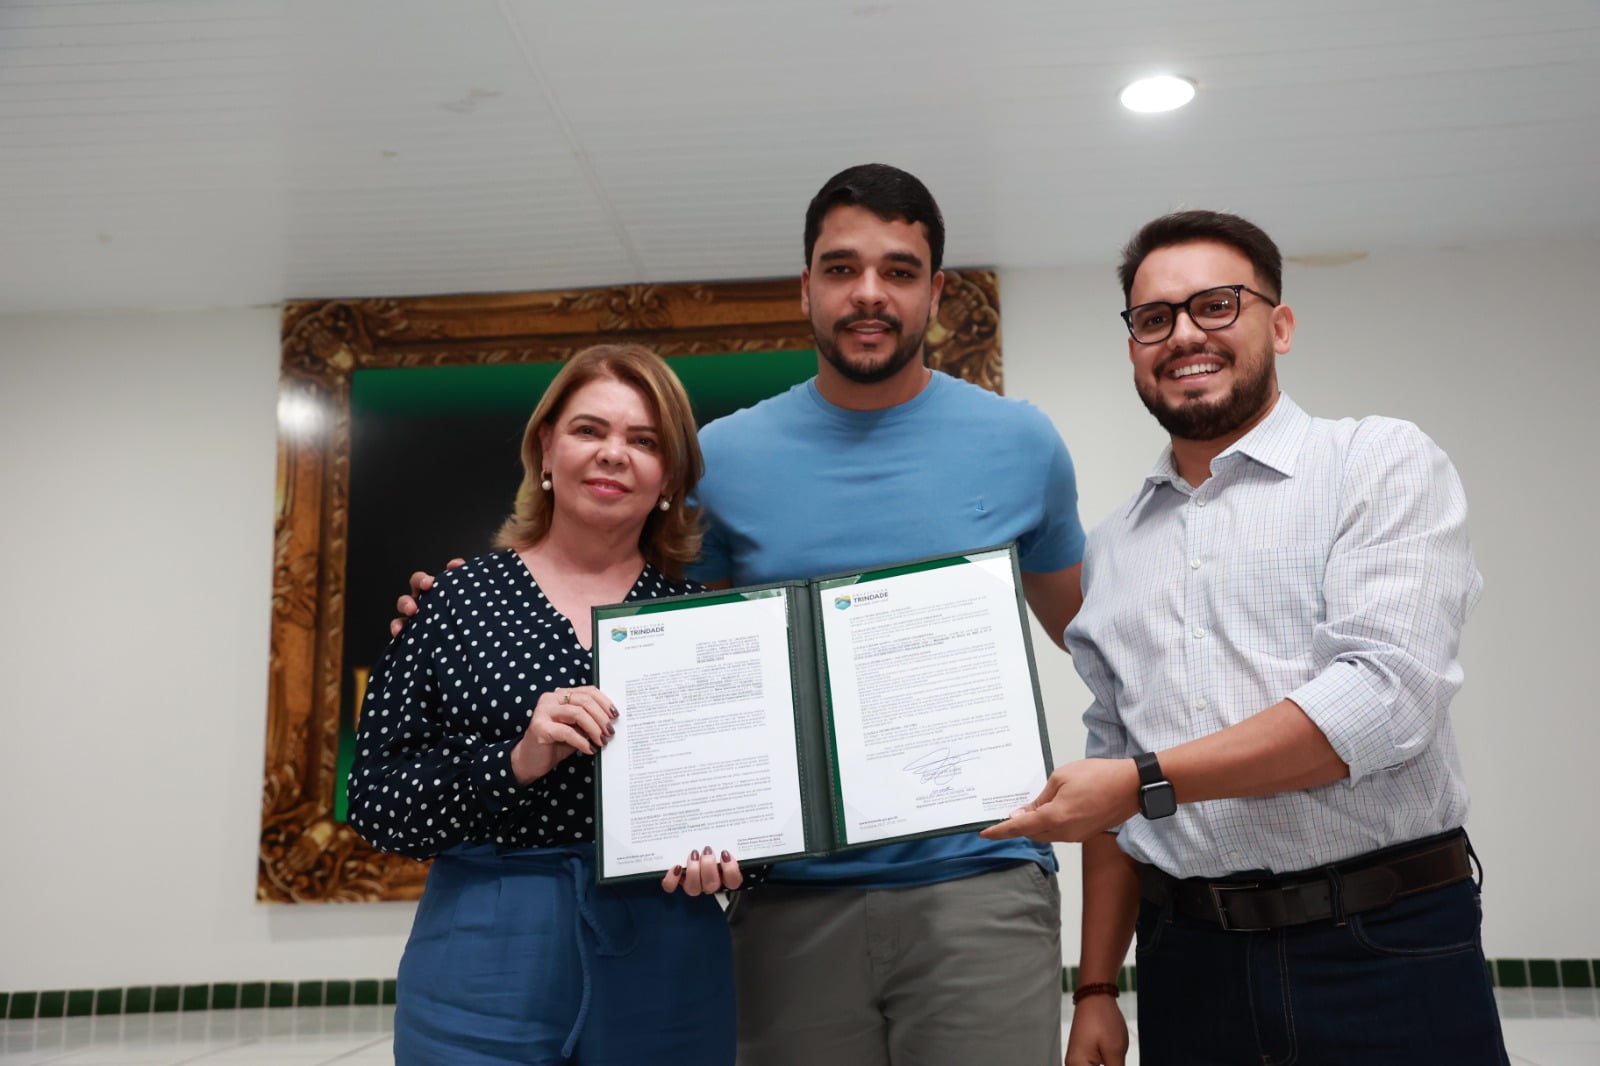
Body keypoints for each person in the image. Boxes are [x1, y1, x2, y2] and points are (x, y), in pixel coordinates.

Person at [400, 165, 1089, 1065]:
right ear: (805, 288)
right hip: (787, 901)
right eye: (841, 269)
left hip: (981, 885)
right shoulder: (719, 462)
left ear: (936, 292)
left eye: (899, 269)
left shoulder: (1022, 442)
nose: (869, 293)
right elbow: (646, 628)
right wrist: (458, 614)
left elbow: (1098, 644)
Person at [983, 210, 1507, 1065]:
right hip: (1191, 963)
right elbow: (1114, 764)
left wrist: (1142, 782)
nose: (1185, 333)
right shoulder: (1112, 548)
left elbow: (1381, 703)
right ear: (1133, 347)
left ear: (1280, 323)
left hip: (1382, 946)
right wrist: (1096, 989)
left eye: (1216, 305)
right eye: (1154, 318)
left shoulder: (1377, 463)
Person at [350, 344, 741, 1066]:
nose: (614, 454)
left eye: (645, 441)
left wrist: (736, 859)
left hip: (668, 946)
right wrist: (514, 761)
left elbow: (761, 800)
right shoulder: (453, 603)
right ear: (546, 450)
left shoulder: (713, 626)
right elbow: (377, 803)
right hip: (483, 945)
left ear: (669, 479)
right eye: (590, 430)